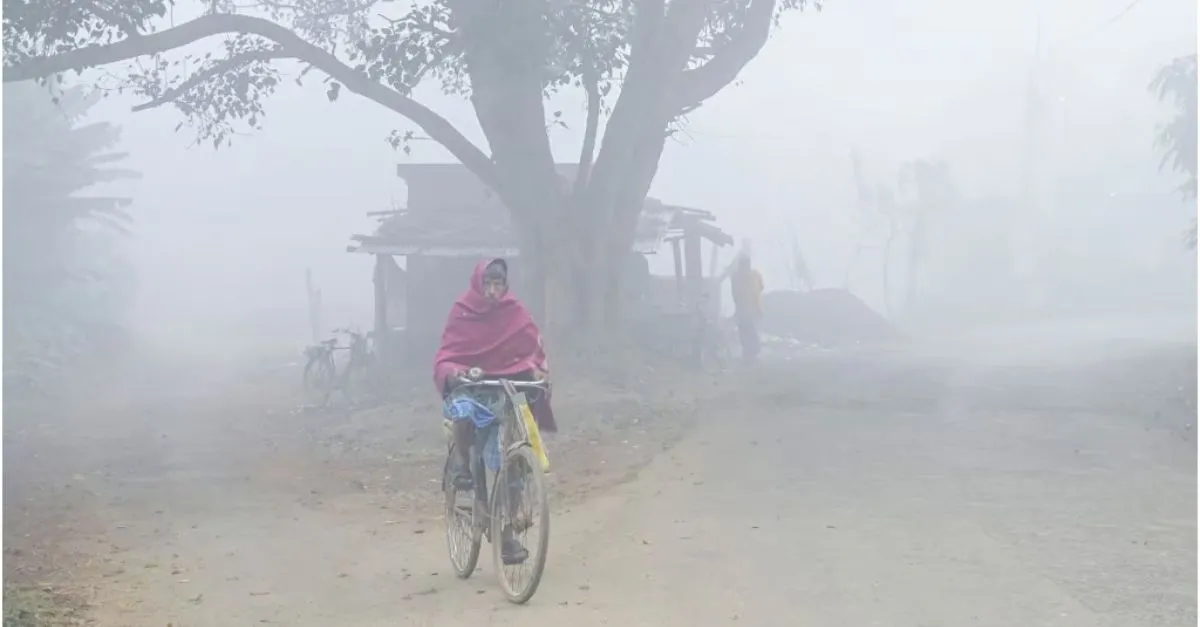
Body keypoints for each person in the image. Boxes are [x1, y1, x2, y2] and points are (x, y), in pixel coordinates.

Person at [433, 258, 557, 565]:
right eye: (487, 284)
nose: (492, 291)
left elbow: (533, 348)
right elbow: (448, 353)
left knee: (511, 461)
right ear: (478, 283)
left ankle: (507, 536)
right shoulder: (462, 311)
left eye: (497, 284)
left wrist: (538, 371)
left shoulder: (514, 311)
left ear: (505, 285)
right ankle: (461, 466)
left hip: (504, 391)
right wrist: (456, 371)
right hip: (472, 389)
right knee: (462, 411)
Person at [728, 254, 764, 362]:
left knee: (748, 331)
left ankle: (751, 352)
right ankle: (750, 353)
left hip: (749, 309)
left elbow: (760, 288)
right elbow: (761, 287)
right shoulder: (753, 275)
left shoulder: (740, 276)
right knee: (747, 331)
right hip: (746, 309)